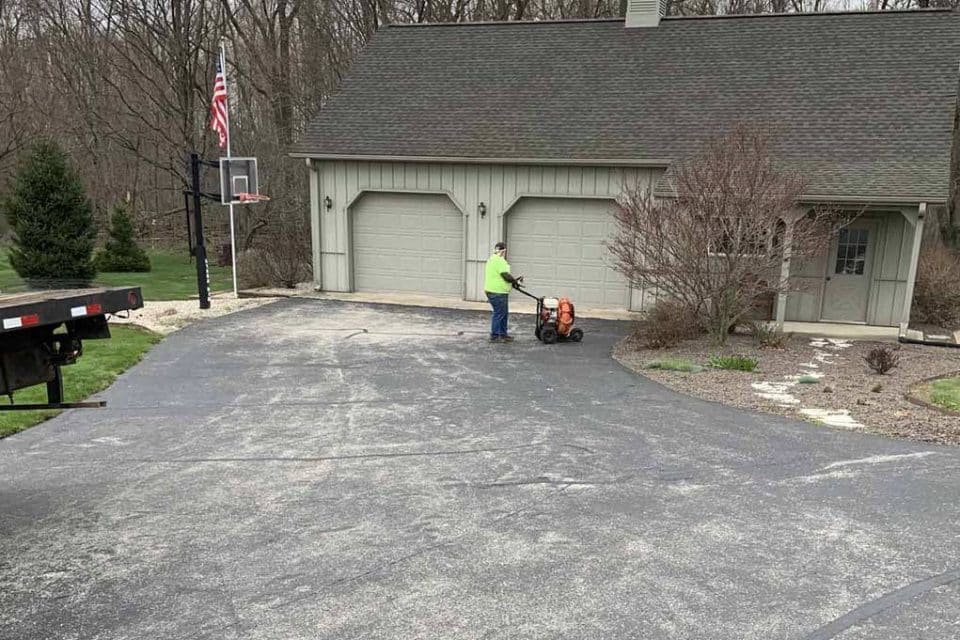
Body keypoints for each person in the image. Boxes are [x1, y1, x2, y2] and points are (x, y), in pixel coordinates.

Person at [484, 241, 522, 343]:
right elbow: (505, 275)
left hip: (492, 290)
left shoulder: (491, 259)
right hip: (498, 292)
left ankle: (503, 334)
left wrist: (513, 281)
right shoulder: (500, 261)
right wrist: (514, 281)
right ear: (503, 251)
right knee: (499, 313)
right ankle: (495, 335)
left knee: (503, 313)